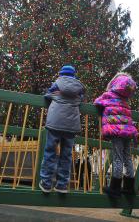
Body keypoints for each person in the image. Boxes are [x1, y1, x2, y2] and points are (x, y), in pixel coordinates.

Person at [39, 65, 85, 194]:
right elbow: (81, 99)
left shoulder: (57, 83)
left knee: (50, 152)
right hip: (71, 125)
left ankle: (46, 183)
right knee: (66, 154)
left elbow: (47, 95)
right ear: (74, 75)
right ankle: (62, 184)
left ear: (61, 73)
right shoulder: (79, 87)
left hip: (55, 123)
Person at [94, 72, 138, 198]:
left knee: (117, 157)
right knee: (127, 158)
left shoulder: (108, 95)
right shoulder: (126, 100)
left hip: (116, 131)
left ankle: (115, 188)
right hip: (128, 131)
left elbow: (97, 102)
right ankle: (129, 188)